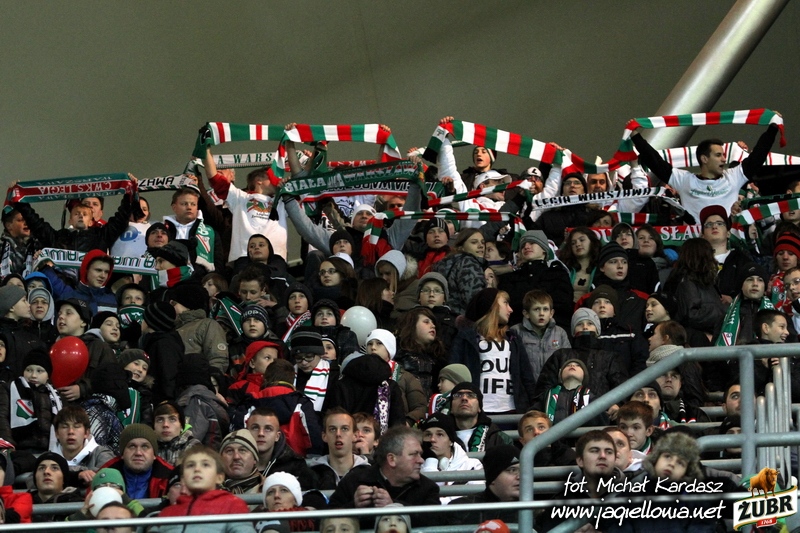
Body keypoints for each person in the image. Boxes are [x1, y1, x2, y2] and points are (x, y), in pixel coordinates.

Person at [630, 117, 781, 222]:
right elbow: (656, 162)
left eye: (723, 155)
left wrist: (773, 129)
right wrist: (635, 136)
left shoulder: (733, 177)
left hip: (726, 246)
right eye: (718, 155)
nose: (724, 159)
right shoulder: (685, 180)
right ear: (704, 159)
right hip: (696, 249)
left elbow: (757, 157)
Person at [328, 426, 441, 529]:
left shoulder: (428, 488)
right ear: (392, 459)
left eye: (420, 454)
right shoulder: (355, 480)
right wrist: (354, 506)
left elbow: (437, 522)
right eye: (413, 454)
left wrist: (394, 507)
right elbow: (326, 519)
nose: (421, 460)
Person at [451, 288, 535, 414]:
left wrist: (534, 407)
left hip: (511, 409)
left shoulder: (513, 338)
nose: (510, 309)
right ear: (491, 305)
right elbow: (453, 374)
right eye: (505, 303)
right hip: (476, 410)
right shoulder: (465, 338)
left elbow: (526, 376)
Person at [533, 308, 626, 415]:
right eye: (579, 324)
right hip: (562, 416)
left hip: (600, 416)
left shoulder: (610, 357)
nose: (585, 327)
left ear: (597, 330)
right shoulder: (560, 355)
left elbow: (621, 385)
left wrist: (618, 404)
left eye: (590, 323)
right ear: (573, 331)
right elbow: (544, 387)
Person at [13, 179, 137, 252]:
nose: (81, 216)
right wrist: (19, 199)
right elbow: (36, 223)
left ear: (91, 221)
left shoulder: (101, 236)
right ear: (70, 220)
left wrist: (129, 193)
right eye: (77, 214)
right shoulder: (58, 237)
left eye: (85, 214)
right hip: (63, 283)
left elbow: (121, 218)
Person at [152, 445, 255, 532]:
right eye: (190, 465)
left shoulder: (233, 505)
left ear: (219, 477)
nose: (197, 469)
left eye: (205, 465)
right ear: (183, 479)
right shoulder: (167, 513)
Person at [498, 230, 573, 329]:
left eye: (532, 243)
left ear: (544, 249)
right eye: (523, 245)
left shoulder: (558, 274)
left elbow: (564, 304)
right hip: (518, 330)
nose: (526, 247)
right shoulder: (509, 278)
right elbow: (507, 306)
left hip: (554, 330)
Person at [244, 408, 318, 490]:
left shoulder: (296, 466)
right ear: (246, 432)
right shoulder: (235, 463)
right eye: (255, 428)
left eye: (268, 429)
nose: (261, 433)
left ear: (277, 436)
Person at [365, 329, 427, 425]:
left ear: (389, 348)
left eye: (379, 343)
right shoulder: (358, 374)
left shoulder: (405, 377)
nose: (373, 347)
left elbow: (420, 407)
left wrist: (407, 422)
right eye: (369, 344)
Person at [448, 445, 521, 525]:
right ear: (493, 477)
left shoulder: (531, 510)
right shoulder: (462, 510)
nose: (520, 477)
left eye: (523, 470)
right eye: (512, 470)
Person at [419, 412, 482, 503]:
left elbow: (474, 498)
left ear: (451, 441)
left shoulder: (472, 465)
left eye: (440, 434)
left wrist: (438, 503)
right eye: (428, 435)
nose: (432, 439)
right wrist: (430, 461)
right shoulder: (415, 466)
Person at [100, 424, 175, 499]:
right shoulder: (104, 476)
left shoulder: (171, 478)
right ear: (122, 454)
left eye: (145, 446)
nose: (138, 453)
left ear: (154, 455)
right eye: (132, 446)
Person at [162, 187, 224, 274]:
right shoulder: (162, 230)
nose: (189, 207)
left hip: (201, 279)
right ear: (174, 207)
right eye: (184, 204)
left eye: (193, 204)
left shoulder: (210, 232)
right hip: (168, 277)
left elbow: (218, 262)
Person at [51, 404, 115, 484]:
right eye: (64, 427)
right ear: (56, 433)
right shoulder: (46, 459)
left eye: (76, 426)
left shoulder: (102, 455)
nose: (70, 431)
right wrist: (78, 475)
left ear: (86, 433)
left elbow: (108, 479)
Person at [309, 408, 370, 490]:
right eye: (332, 429)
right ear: (324, 436)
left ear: (355, 435)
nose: (338, 434)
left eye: (344, 429)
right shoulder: (310, 474)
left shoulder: (369, 474)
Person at [41, 249, 118, 314]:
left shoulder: (112, 299)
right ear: (86, 270)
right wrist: (41, 260)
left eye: (107, 272)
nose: (103, 276)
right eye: (98, 270)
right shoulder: (68, 297)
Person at [448, 382, 513, 452]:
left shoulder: (498, 438)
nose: (464, 398)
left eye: (471, 395)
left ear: (479, 407)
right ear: (451, 408)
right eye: (458, 395)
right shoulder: (441, 435)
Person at [28, 452, 83, 521]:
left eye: (54, 468)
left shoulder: (78, 506)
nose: (46, 472)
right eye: (41, 468)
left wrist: (80, 516)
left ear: (64, 478)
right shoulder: (20, 503)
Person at [558, 227, 600, 303]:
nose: (577, 244)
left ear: (592, 242)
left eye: (582, 240)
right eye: (573, 243)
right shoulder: (565, 269)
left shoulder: (601, 268)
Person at [154, 401, 201, 467]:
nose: (165, 425)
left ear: (181, 425)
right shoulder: (149, 447)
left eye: (172, 419)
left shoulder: (192, 447)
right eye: (160, 420)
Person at [221, 429, 263, 496]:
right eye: (229, 451)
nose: (236, 457)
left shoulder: (270, 489)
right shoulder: (209, 491)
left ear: (255, 459)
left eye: (242, 450)